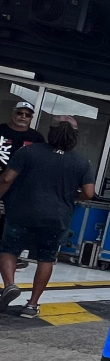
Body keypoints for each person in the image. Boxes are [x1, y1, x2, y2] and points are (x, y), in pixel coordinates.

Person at [0, 117, 95, 317]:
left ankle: (9, 285)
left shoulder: (28, 151)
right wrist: (71, 197)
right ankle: (32, 305)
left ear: (51, 131)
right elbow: (89, 193)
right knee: (46, 258)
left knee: (9, 250)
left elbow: (7, 178)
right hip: (57, 217)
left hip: (22, 211)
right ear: (75, 136)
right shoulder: (81, 162)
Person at [0, 100, 45, 270]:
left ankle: (10, 256)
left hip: (21, 190)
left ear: (31, 118)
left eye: (27, 114)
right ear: (13, 113)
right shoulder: (1, 130)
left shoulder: (37, 138)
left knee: (12, 223)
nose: (23, 117)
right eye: (20, 113)